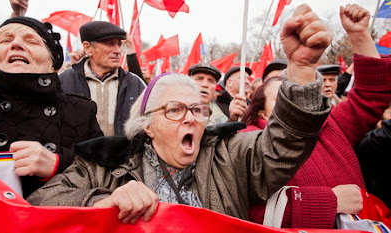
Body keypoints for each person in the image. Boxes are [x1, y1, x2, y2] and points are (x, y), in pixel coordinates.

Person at [27, 3, 332, 224]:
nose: (190, 118)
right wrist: (102, 201)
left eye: (198, 109)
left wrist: (302, 71)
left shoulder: (230, 155)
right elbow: (41, 201)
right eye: (174, 109)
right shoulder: (105, 164)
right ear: (147, 125)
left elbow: (284, 146)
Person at [247, 4, 391, 229]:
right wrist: (330, 202)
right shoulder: (245, 141)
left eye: (300, 92)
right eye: (283, 99)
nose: (295, 103)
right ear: (261, 112)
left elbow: (371, 95)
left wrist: (359, 35)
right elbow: (245, 207)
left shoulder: (330, 125)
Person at [0, 16, 103, 198]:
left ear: (53, 61)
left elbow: (104, 173)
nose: (16, 44)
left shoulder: (80, 111)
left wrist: (58, 164)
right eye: (5, 40)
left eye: (31, 41)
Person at [59, 21, 146, 136]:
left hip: (123, 154)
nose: (118, 51)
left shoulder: (135, 83)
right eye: (110, 44)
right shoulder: (64, 81)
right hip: (77, 154)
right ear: (88, 48)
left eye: (119, 44)